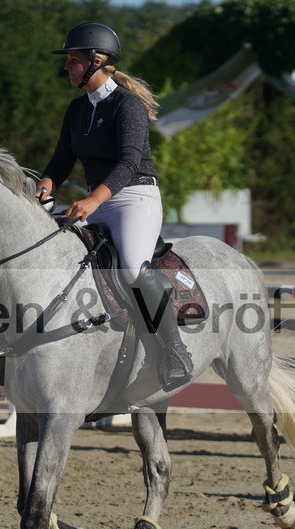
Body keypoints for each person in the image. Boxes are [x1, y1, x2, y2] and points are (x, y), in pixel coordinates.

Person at [35, 21, 192, 390]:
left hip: (135, 196)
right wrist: (45, 184)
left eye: (73, 60)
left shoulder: (127, 105)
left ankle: (175, 351)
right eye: (69, 61)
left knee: (133, 270)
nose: (67, 66)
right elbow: (60, 161)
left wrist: (92, 200)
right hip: (98, 201)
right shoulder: (76, 110)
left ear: (97, 61)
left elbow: (128, 162)